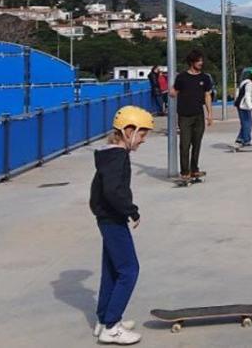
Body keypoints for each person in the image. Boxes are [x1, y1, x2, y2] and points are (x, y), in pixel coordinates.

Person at [90, 105, 152, 345]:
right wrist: (131, 211)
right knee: (129, 270)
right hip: (113, 219)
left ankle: (104, 318)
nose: (143, 140)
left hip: (107, 217)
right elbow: (113, 191)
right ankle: (112, 326)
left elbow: (102, 191)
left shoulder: (109, 155)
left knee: (112, 270)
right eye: (142, 134)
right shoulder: (117, 158)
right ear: (128, 131)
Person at [172, 50, 214, 182]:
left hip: (198, 115)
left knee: (197, 143)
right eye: (198, 61)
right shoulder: (182, 77)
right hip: (184, 115)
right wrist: (171, 92)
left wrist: (210, 114)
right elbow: (174, 91)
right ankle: (185, 172)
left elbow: (207, 96)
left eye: (201, 60)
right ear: (191, 62)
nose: (201, 63)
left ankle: (194, 169)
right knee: (185, 145)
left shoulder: (205, 78)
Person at [234, 67, 252, 147]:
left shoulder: (245, 82)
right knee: (247, 123)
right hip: (244, 106)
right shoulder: (250, 84)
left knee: (245, 123)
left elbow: (239, 92)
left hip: (240, 104)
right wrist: (251, 106)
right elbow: (247, 96)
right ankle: (246, 140)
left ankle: (240, 138)